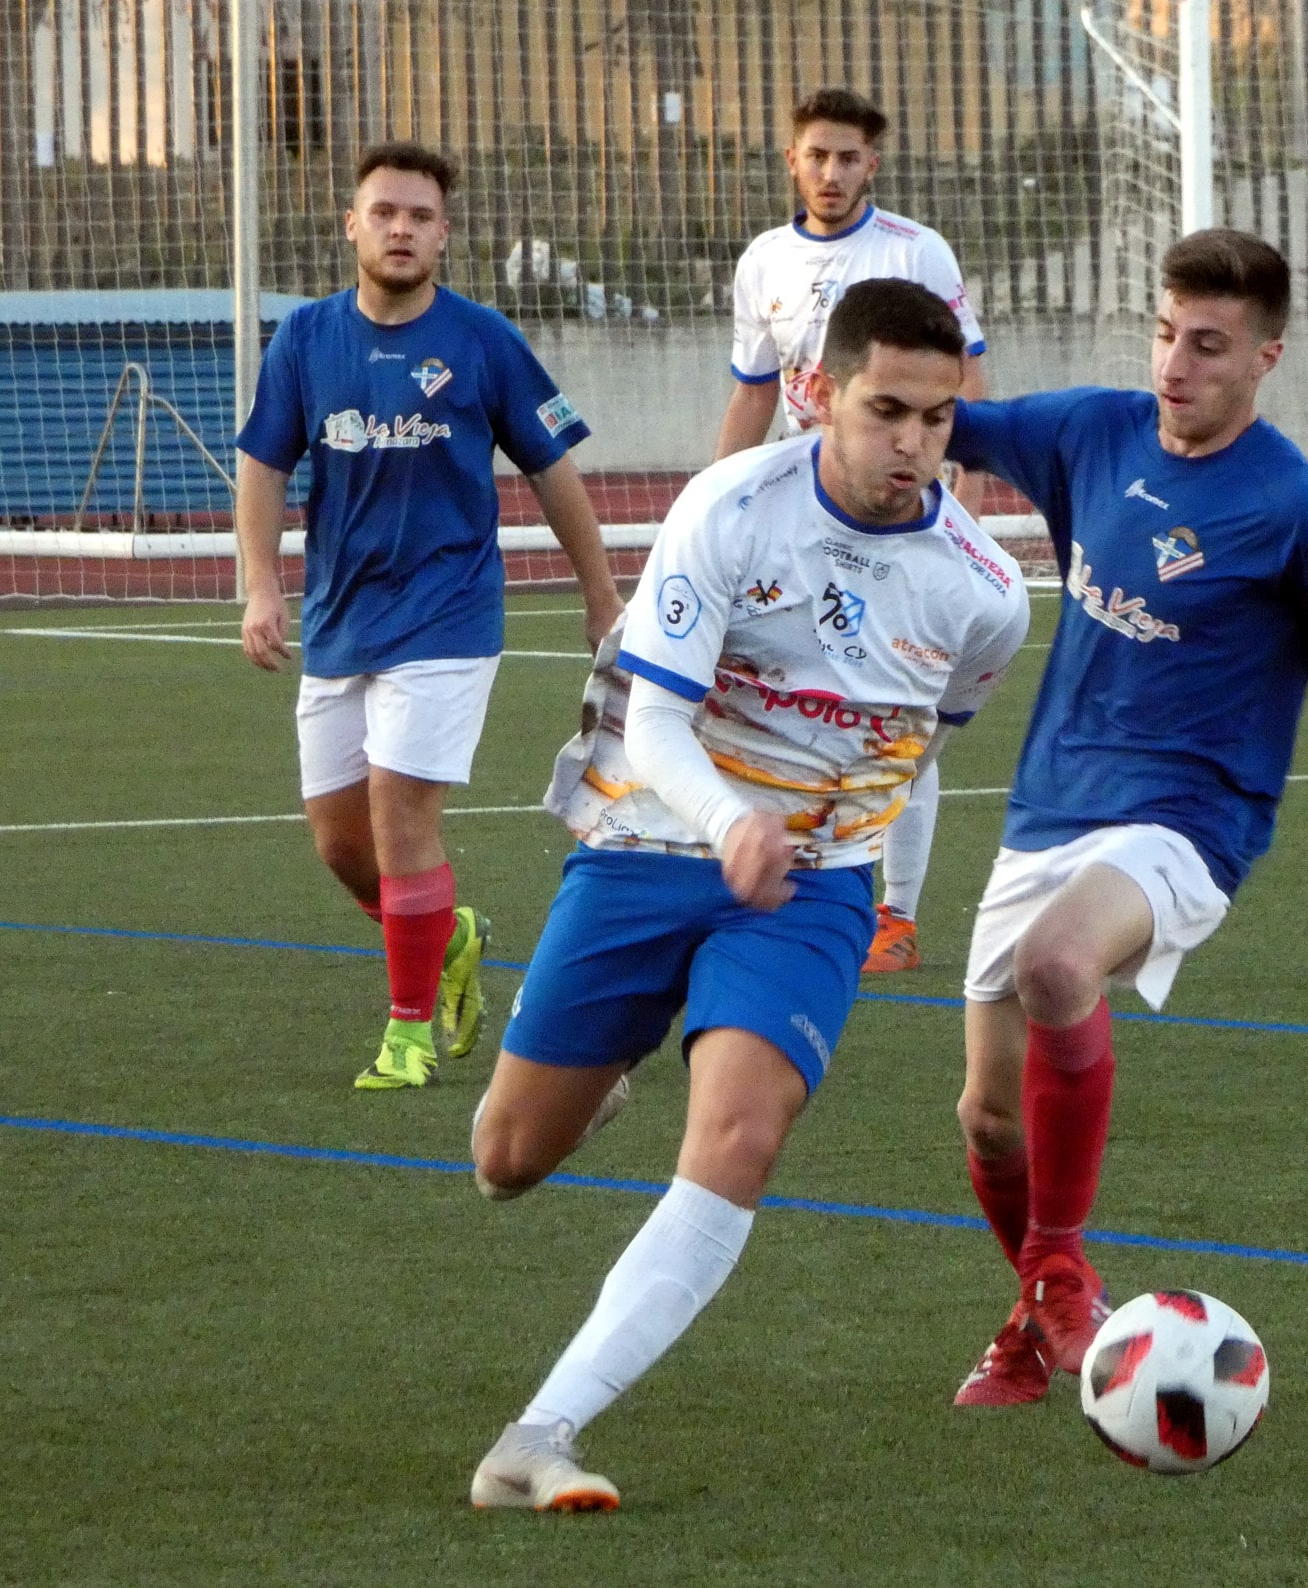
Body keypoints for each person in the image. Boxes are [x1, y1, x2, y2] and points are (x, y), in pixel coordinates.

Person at [464, 279, 1030, 1510]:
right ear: (819, 392)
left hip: (810, 887)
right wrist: (732, 819)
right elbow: (657, 715)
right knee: (504, 1159)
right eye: (888, 410)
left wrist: (820, 844)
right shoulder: (729, 506)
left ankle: (537, 1436)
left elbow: (921, 746)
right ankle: (604, 1075)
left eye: (939, 421)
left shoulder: (986, 595)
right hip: (646, 840)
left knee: (739, 1134)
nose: (914, 445)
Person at [942, 229, 1308, 1406]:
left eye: (1208, 345)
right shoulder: (1094, 430)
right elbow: (948, 423)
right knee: (985, 1118)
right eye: (1166, 333)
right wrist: (875, 394)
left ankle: (1062, 1274)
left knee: (1057, 963)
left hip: (1188, 817)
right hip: (1049, 805)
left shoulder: (1291, 502)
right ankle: (1038, 1310)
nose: (1176, 364)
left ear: (1264, 358)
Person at [235, 141, 623, 1091]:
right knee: (341, 844)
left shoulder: (482, 339)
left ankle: (407, 1033)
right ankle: (446, 936)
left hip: (448, 615)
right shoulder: (304, 339)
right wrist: (260, 583)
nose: (400, 228)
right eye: (384, 212)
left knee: (400, 817)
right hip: (339, 618)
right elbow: (262, 464)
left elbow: (553, 469)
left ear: (443, 233)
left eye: (419, 215)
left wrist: (601, 593)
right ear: (352, 224)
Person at [715, 85, 992, 976]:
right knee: (776, 693)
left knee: (899, 708)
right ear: (790, 160)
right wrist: (717, 494)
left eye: (848, 157)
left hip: (898, 518)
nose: (830, 173)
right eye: (815, 155)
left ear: (872, 164)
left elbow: (967, 379)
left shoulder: (916, 251)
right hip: (798, 514)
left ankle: (896, 915)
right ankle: (776, 878)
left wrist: (967, 501)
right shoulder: (763, 261)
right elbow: (755, 390)